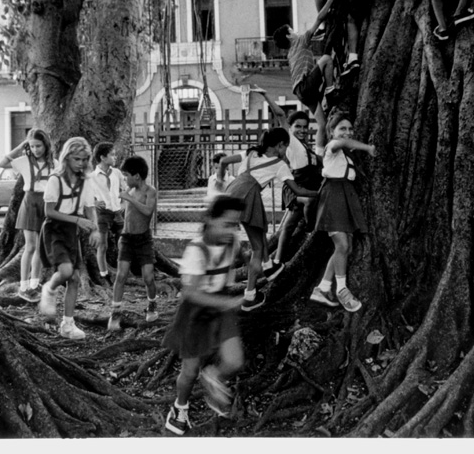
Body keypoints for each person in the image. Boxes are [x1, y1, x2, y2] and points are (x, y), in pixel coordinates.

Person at [162, 195, 246, 435]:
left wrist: (251, 262)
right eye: (227, 224)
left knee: (234, 360)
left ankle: (212, 376)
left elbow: (230, 268)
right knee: (189, 371)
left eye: (235, 225)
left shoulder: (232, 244)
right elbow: (191, 293)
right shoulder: (196, 250)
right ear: (210, 220)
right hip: (196, 313)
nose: (232, 230)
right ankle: (179, 408)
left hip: (221, 309)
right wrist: (227, 302)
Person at [221, 127, 317, 310]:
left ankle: (269, 267)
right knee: (257, 248)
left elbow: (225, 160)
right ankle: (250, 296)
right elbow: (298, 191)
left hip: (232, 192)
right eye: (286, 148)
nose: (286, 153)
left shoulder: (251, 152)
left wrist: (219, 181)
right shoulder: (279, 165)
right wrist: (319, 193)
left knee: (259, 233)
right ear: (280, 145)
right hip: (249, 195)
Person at [309, 112, 375, 313]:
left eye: (350, 128)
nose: (347, 132)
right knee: (342, 244)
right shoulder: (332, 147)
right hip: (333, 196)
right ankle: (342, 289)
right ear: (332, 132)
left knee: (345, 247)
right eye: (342, 129)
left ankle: (323, 287)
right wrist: (368, 148)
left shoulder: (346, 155)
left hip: (344, 196)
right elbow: (342, 143)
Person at [38, 137, 101, 339]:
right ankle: (49, 288)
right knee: (65, 271)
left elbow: (90, 208)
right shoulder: (55, 180)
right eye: (77, 159)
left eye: (84, 159)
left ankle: (67, 324)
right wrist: (78, 221)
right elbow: (49, 212)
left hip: (72, 232)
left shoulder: (86, 181)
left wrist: (95, 229)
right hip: (55, 230)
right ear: (66, 158)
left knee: (74, 278)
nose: (81, 164)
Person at [252, 89, 323, 265]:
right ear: (290, 129)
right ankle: (310, 230)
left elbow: (322, 126)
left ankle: (277, 259)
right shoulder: (291, 143)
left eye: (305, 126)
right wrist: (266, 95)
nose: (302, 130)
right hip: (297, 188)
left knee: (290, 224)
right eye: (297, 126)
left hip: (307, 187)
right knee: (304, 207)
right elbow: (280, 114)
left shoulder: (307, 147)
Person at [0, 128, 54, 302]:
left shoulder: (54, 163)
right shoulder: (23, 161)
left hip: (46, 203)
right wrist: (21, 145)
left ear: (45, 145)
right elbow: (3, 163)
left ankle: (34, 284)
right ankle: (23, 285)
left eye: (39, 146)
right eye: (32, 146)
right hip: (30, 202)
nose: (36, 149)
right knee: (30, 245)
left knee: (41, 247)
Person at [107, 155, 159, 330]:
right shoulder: (128, 191)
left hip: (144, 239)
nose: (124, 179)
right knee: (121, 275)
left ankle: (152, 305)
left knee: (148, 277)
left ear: (137, 176)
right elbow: (122, 210)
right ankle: (115, 311)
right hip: (127, 238)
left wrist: (129, 199)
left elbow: (147, 211)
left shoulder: (149, 191)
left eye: (126, 175)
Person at [273, 19, 335, 127]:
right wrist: (331, 1)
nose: (296, 32)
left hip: (300, 93)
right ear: (288, 36)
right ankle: (330, 91)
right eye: (292, 31)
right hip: (305, 86)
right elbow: (319, 18)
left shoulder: (290, 53)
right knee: (327, 59)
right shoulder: (301, 41)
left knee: (322, 124)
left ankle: (320, 145)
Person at [88, 141, 125, 284]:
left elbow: (126, 189)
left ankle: (122, 273)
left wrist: (124, 203)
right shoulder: (92, 177)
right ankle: (104, 275)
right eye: (112, 155)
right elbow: (85, 196)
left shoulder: (117, 173)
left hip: (117, 212)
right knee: (102, 245)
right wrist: (95, 202)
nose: (115, 157)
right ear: (103, 157)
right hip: (102, 214)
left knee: (122, 244)